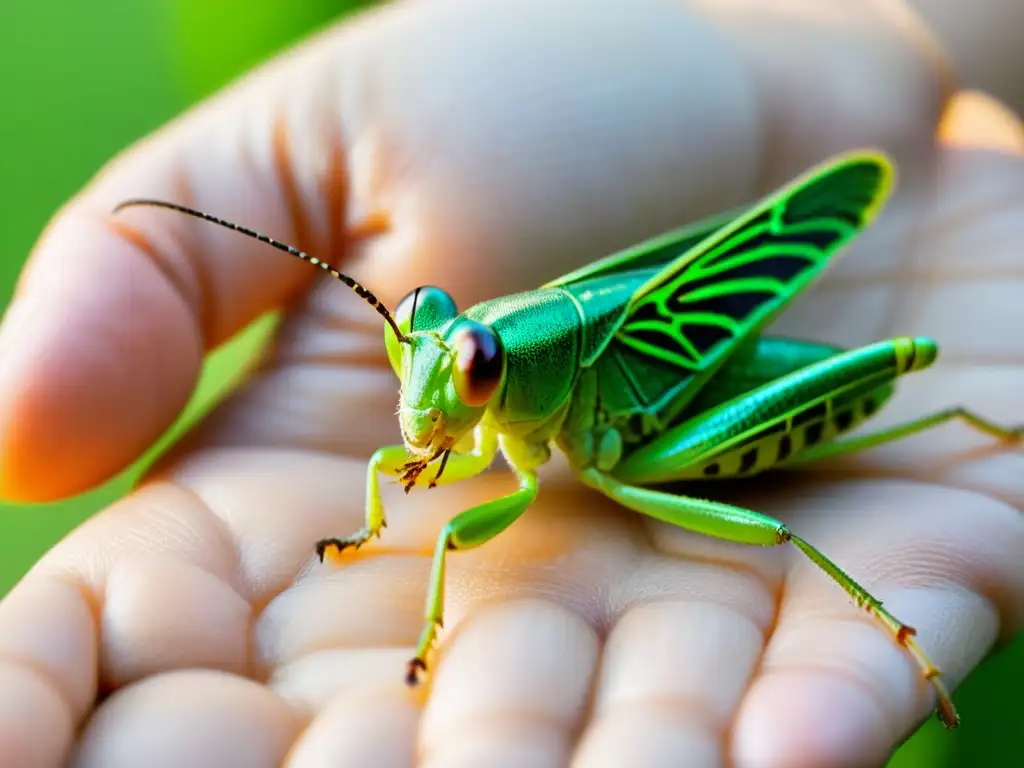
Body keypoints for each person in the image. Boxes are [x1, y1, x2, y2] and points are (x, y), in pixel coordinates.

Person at [0, 1, 1021, 765]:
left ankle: (893, 604)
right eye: (422, 346)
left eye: (467, 368)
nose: (430, 388)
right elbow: (413, 435)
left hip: (699, 421)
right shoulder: (467, 376)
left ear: (503, 366)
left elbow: (451, 525)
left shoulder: (530, 397)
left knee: (769, 530)